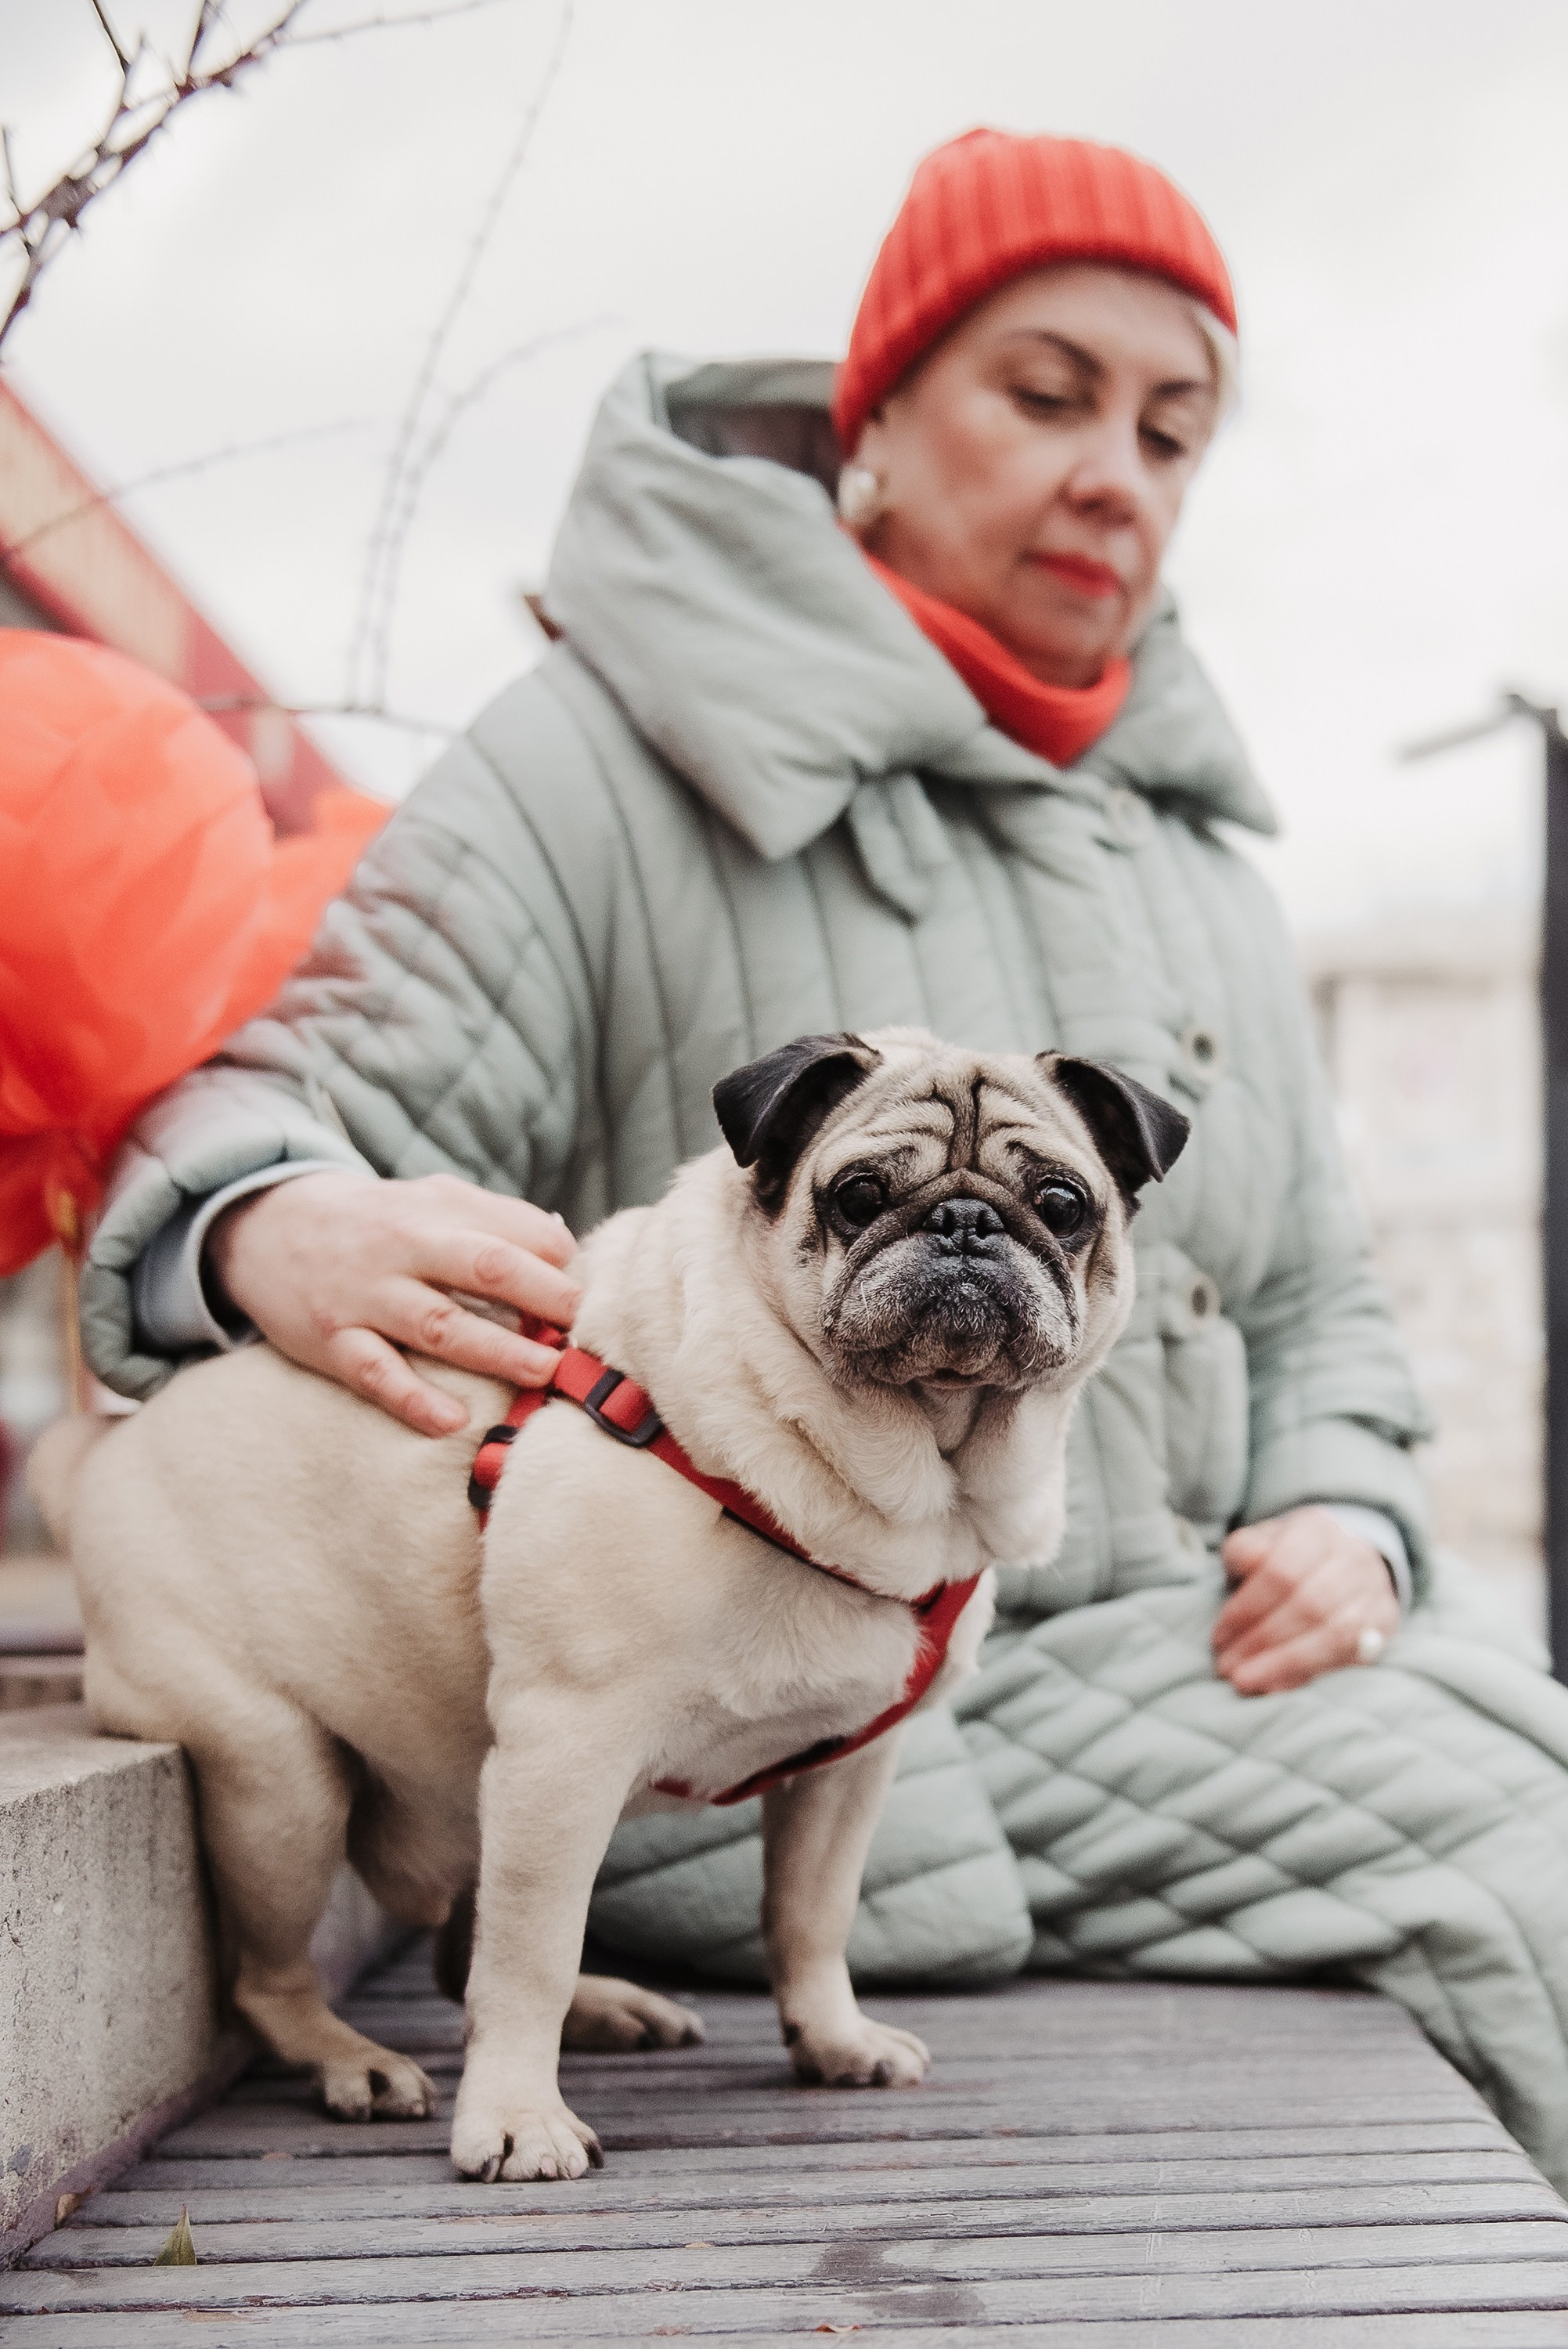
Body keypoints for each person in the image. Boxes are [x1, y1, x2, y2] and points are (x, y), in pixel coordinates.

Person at [83, 130, 1568, 2191]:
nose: (1111, 473)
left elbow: (1315, 1299)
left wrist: (1348, 1509)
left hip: (1184, 1648)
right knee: (1528, 1873)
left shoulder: (1198, 856)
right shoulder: (601, 754)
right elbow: (288, 1096)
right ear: (867, 428)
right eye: (1045, 396)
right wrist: (267, 1221)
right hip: (746, 1697)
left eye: (1171, 427)